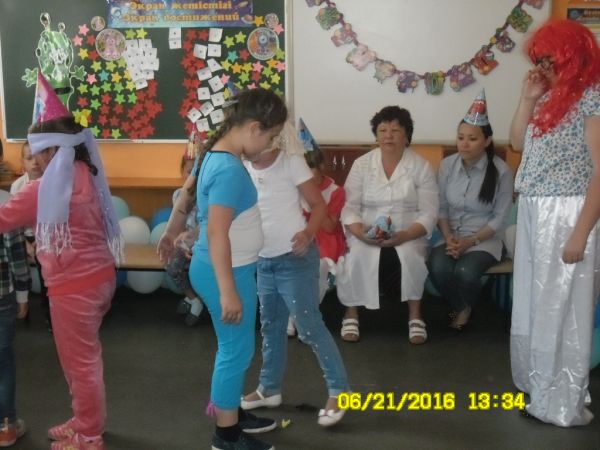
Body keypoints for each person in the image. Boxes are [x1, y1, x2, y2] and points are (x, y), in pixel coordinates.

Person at [158, 88, 287, 450]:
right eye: (271, 136)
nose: (270, 145)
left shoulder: (213, 153)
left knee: (236, 348)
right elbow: (217, 233)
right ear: (255, 128)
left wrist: (170, 231)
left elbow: (187, 194)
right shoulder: (229, 169)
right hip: (226, 272)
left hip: (224, 269)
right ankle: (226, 436)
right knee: (236, 351)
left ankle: (232, 412)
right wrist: (228, 290)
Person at [0, 73, 122, 449]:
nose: (34, 159)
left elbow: (4, 218)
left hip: (73, 289)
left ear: (51, 150)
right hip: (100, 278)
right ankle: (85, 419)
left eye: (37, 151)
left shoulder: (44, 189)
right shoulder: (86, 172)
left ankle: (89, 434)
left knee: (80, 363)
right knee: (84, 359)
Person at [509, 19, 600, 427]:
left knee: (562, 308)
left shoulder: (592, 97)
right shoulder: (546, 96)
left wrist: (580, 232)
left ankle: (561, 401)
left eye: (549, 60)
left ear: (571, 57)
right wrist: (527, 99)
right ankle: (540, 389)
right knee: (534, 304)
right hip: (535, 208)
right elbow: (516, 142)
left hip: (567, 211)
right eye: (539, 60)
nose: (542, 68)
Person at [241, 121, 350, 427]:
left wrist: (307, 233)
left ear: (272, 138)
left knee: (309, 327)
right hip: (264, 260)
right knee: (271, 325)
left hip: (295, 259)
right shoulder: (244, 167)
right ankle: (269, 388)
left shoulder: (291, 163)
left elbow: (318, 206)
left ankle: (339, 390)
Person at [335, 106, 438, 344]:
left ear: (407, 135)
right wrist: (360, 233)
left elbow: (429, 211)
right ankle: (351, 313)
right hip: (366, 230)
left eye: (395, 130)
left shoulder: (421, 166)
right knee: (355, 254)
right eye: (382, 130)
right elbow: (349, 206)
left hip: (408, 231)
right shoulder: (362, 164)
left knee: (411, 256)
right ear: (376, 135)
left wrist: (405, 235)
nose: (388, 136)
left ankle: (415, 315)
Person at [427, 90, 513, 330]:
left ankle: (462, 309)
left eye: (472, 138)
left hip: (485, 240)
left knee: (465, 271)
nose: (464, 143)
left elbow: (499, 218)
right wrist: (448, 237)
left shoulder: (502, 171)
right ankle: (463, 306)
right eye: (460, 137)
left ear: (486, 141)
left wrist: (470, 241)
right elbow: (441, 207)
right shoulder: (447, 165)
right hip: (451, 237)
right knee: (437, 266)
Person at [286, 120, 347, 337]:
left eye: (309, 167)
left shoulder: (335, 191)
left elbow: (329, 226)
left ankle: (303, 317)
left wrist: (314, 201)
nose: (304, 173)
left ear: (320, 166)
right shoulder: (291, 188)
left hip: (325, 243)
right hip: (299, 236)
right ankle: (292, 314)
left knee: (316, 269)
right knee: (287, 266)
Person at [10, 142, 50, 332]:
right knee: (16, 263)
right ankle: (21, 303)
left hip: (45, 236)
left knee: (47, 274)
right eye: (29, 158)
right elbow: (13, 221)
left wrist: (40, 242)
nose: (34, 162)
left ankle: (50, 313)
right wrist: (27, 244)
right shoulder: (17, 186)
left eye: (38, 156)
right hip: (22, 236)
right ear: (22, 163)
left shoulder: (51, 183)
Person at [167, 138, 203, 326]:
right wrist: (181, 244)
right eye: (190, 172)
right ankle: (193, 298)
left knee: (202, 270)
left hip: (205, 243)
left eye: (198, 172)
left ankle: (204, 299)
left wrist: (194, 245)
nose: (194, 177)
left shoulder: (208, 196)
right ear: (182, 172)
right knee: (172, 266)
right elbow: (179, 226)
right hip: (186, 243)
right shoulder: (178, 195)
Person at [0, 224, 31, 447]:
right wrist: (22, 295)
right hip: (2, 296)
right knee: (3, 363)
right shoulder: (5, 208)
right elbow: (18, 257)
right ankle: (5, 427)